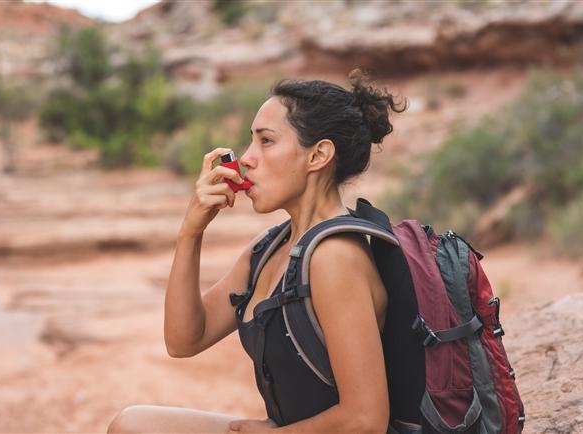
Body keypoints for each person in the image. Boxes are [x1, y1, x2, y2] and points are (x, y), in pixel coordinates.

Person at [107, 69, 407, 433]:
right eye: (251, 141)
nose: (247, 158)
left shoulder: (335, 257)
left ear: (318, 155)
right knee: (134, 425)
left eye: (266, 141)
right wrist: (191, 232)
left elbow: (365, 420)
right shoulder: (268, 248)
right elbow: (185, 339)